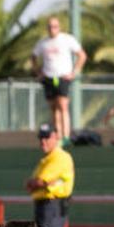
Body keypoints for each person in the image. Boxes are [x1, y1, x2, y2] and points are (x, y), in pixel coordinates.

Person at [26, 124, 74, 227]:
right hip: (44, 204)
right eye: (41, 138)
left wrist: (37, 183)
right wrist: (36, 184)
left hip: (54, 204)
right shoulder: (46, 159)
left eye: (47, 137)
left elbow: (39, 182)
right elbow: (32, 184)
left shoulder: (60, 157)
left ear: (56, 137)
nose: (43, 141)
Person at [31, 17, 87, 146]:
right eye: (50, 26)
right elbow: (33, 57)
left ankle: (66, 136)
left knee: (63, 105)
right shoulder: (43, 43)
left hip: (62, 77)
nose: (52, 29)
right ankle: (58, 135)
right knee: (53, 107)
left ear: (59, 27)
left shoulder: (67, 39)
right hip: (49, 78)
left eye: (55, 26)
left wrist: (74, 72)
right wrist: (38, 73)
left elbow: (82, 55)